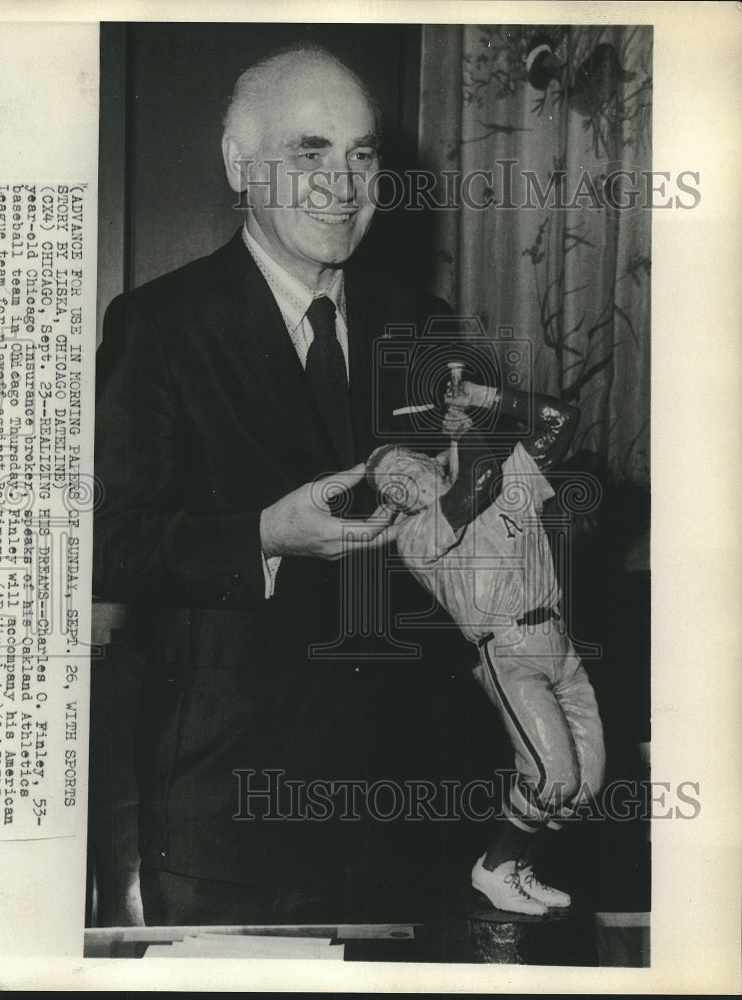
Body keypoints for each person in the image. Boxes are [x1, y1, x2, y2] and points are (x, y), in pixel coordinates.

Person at [92, 43, 450, 926]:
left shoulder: (423, 324)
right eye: (309, 151)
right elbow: (106, 543)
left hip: (409, 803)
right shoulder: (158, 326)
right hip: (232, 807)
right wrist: (261, 535)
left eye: (361, 155)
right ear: (239, 166)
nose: (342, 183)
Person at [365, 379, 606, 915]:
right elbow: (476, 477)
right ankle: (493, 869)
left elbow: (561, 420)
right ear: (393, 504)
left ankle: (521, 869)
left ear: (430, 462)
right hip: (509, 651)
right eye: (390, 486)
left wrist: (481, 396)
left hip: (559, 644)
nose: (403, 483)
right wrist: (466, 425)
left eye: (406, 466)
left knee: (585, 786)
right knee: (552, 777)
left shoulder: (510, 480)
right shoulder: (417, 535)